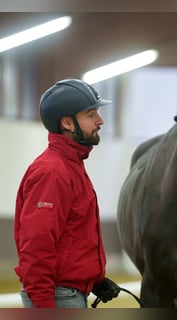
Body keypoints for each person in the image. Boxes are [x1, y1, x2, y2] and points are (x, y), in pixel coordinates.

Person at [14, 79, 120, 308]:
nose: (100, 121)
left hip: (67, 294)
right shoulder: (53, 172)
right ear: (67, 123)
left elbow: (71, 238)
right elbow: (36, 246)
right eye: (91, 114)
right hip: (56, 297)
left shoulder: (70, 166)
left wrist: (95, 279)